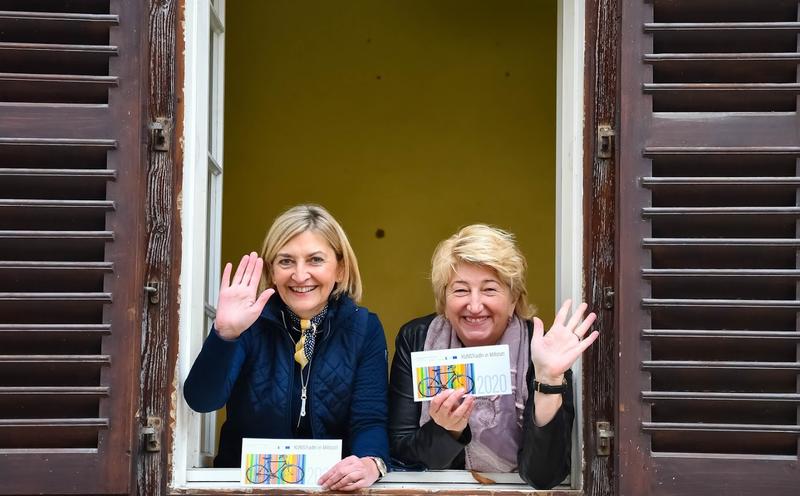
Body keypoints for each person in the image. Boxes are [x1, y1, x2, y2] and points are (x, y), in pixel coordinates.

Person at [184, 204, 389, 491]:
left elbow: (369, 419)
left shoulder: (364, 327)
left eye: (315, 260)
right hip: (248, 488)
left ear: (340, 269)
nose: (300, 275)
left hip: (330, 488)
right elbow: (203, 401)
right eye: (286, 261)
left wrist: (371, 462)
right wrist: (225, 334)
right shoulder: (248, 322)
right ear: (271, 270)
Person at [388, 224, 598, 489]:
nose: (475, 306)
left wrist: (548, 380)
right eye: (461, 290)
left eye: (489, 290)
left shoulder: (542, 348)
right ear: (444, 300)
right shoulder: (417, 338)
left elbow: (544, 476)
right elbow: (402, 457)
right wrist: (446, 429)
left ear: (513, 300)